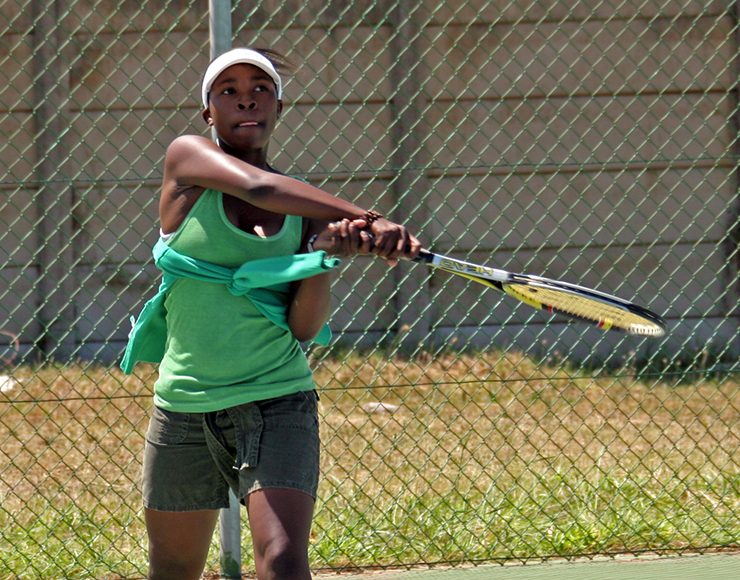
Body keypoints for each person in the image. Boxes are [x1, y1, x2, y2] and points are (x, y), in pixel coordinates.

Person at [134, 47, 422, 580]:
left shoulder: (305, 210)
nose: (246, 97)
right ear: (208, 113)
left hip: (277, 401)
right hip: (184, 407)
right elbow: (257, 185)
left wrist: (326, 257)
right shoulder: (187, 158)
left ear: (278, 107)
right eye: (229, 90)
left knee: (283, 561)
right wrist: (371, 218)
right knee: (173, 569)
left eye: (260, 87)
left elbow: (303, 328)